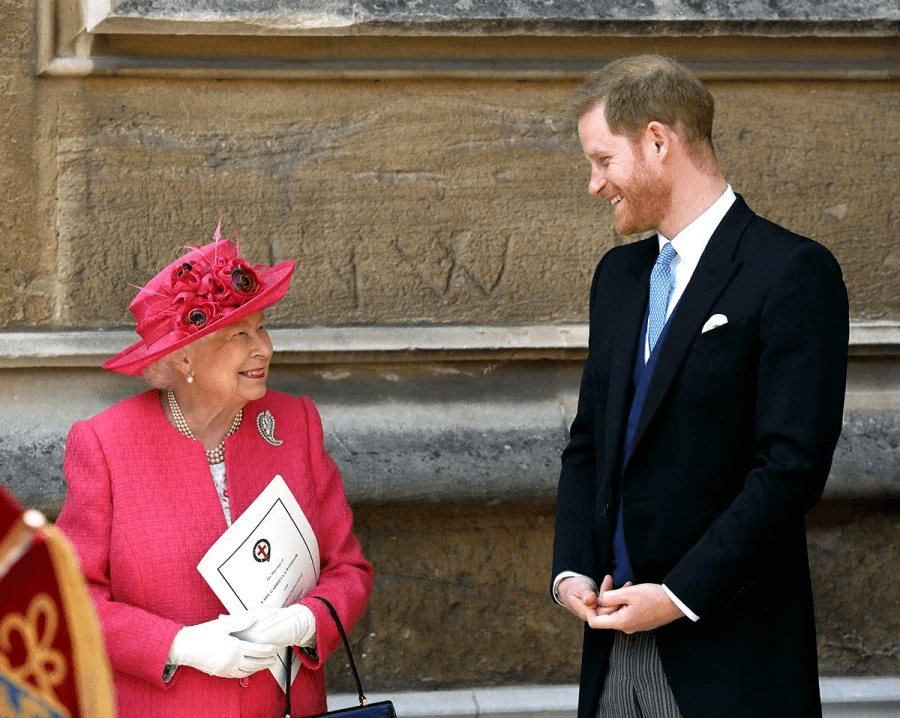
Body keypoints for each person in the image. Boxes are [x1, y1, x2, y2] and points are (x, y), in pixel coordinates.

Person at [551, 55, 848, 718]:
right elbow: (591, 440)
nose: (594, 184)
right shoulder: (619, 279)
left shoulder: (793, 272)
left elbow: (790, 470)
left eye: (603, 160)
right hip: (612, 659)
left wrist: (678, 594)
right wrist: (570, 569)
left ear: (658, 141)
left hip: (729, 659)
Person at [56, 222, 374, 717]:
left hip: (287, 707)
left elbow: (348, 569)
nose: (263, 348)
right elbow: (71, 601)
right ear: (183, 356)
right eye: (238, 335)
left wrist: (305, 622)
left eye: (263, 326)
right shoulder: (105, 444)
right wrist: (179, 644)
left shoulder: (296, 423)